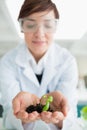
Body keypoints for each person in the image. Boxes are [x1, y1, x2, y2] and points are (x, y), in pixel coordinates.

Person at [0, 0, 78, 130]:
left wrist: (60, 118)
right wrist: (20, 116)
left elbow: (70, 116)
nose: (39, 34)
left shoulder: (67, 61)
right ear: (22, 27)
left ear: (55, 27)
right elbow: (8, 115)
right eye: (30, 25)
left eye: (48, 25)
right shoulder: (8, 62)